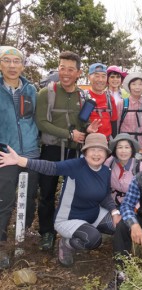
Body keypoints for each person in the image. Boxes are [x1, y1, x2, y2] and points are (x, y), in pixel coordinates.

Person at [0, 133, 121, 267]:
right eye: (92, 149)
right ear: (85, 152)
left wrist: (114, 212)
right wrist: (21, 161)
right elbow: (51, 167)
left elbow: (105, 195)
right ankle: (66, 244)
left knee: (119, 226)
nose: (96, 154)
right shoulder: (76, 166)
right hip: (69, 218)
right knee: (93, 240)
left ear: (106, 154)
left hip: (94, 214)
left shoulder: (105, 171)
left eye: (100, 150)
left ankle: (88, 232)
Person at [36, 51, 100, 251]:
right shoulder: (47, 92)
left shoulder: (82, 95)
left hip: (74, 152)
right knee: (46, 192)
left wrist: (87, 129)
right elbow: (41, 122)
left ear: (78, 72)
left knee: (72, 194)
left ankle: (71, 229)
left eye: (70, 69)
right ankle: (47, 233)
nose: (65, 72)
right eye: (62, 67)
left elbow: (82, 121)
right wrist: (69, 134)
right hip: (51, 150)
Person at [0, 46, 39, 269]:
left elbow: (35, 119)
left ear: (23, 65)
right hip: (5, 154)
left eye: (17, 61)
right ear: (0, 64)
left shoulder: (30, 90)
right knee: (4, 200)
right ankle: (2, 246)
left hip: (30, 153)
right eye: (7, 60)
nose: (12, 66)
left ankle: (21, 240)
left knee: (29, 197)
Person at [105, 133, 142, 208]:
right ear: (115, 149)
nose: (123, 151)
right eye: (120, 147)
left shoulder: (140, 167)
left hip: (134, 205)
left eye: (127, 147)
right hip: (112, 203)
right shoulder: (109, 163)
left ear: (131, 149)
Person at [117, 72, 142, 153]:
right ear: (129, 86)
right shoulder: (122, 104)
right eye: (134, 84)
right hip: (126, 145)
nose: (137, 87)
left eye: (140, 84)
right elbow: (117, 126)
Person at [88, 62, 118, 140]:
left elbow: (114, 122)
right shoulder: (83, 97)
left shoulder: (109, 98)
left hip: (106, 142)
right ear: (89, 77)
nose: (100, 80)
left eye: (103, 76)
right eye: (96, 76)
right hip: (88, 142)